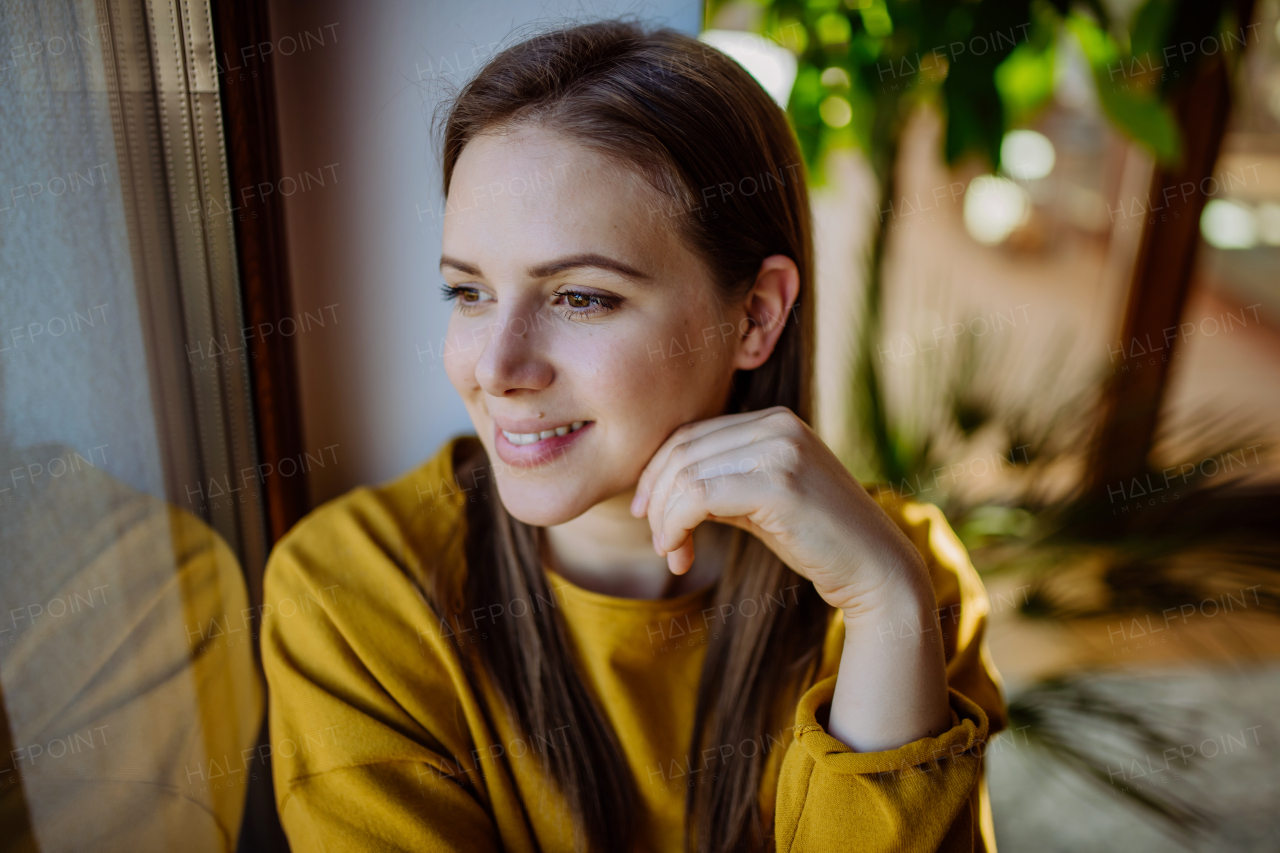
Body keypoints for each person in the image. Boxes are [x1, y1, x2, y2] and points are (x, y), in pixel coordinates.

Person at [262, 19, 1005, 853]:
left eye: (581, 297)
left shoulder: (904, 583)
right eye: (467, 293)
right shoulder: (352, 593)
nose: (497, 367)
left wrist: (887, 610)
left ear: (755, 315)